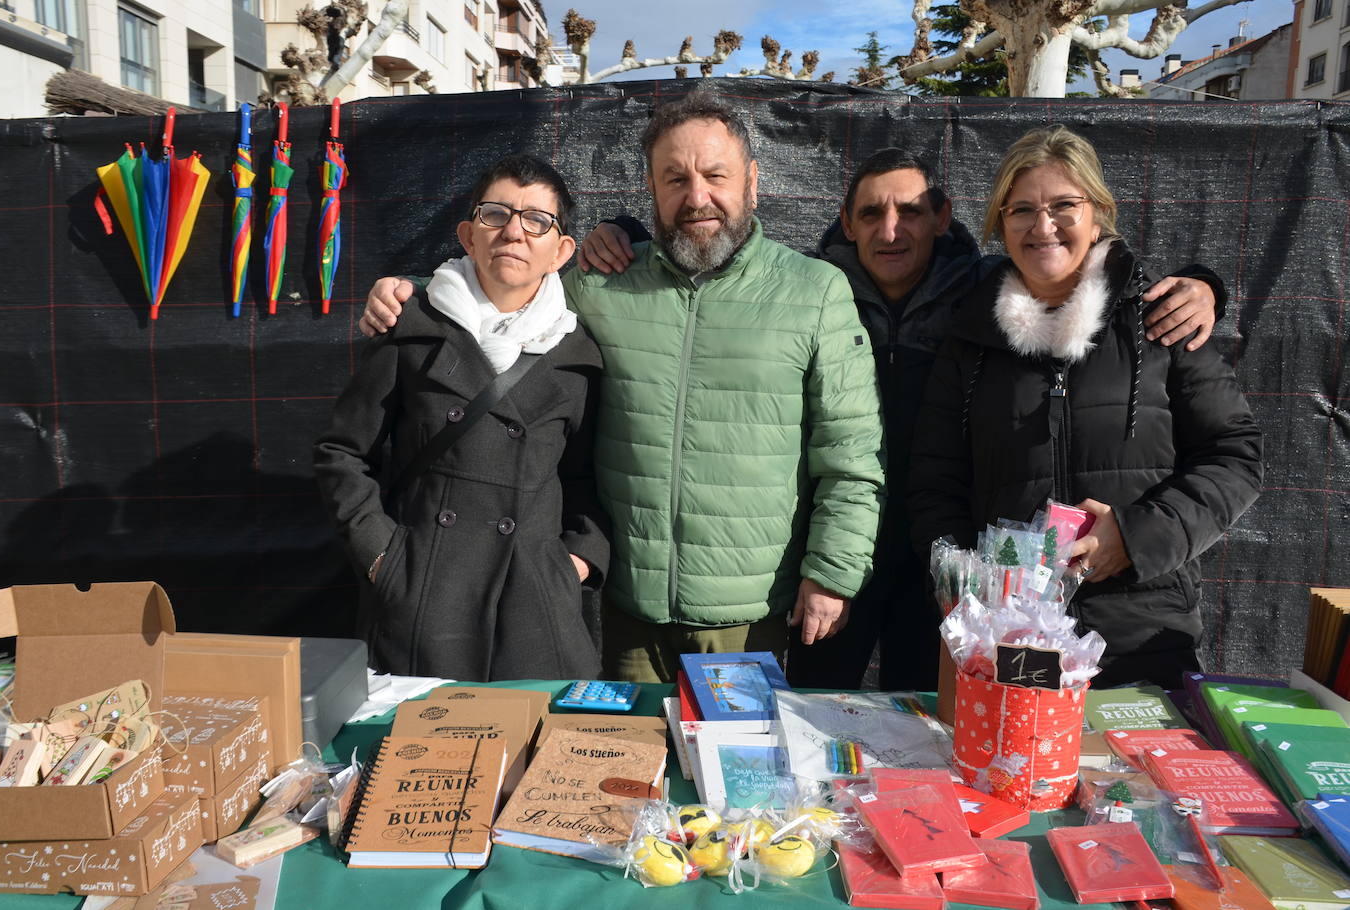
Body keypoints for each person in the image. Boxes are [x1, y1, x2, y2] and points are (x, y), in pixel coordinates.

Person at [570, 148, 1221, 691]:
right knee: (816, 708)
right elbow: (716, 266)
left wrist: (1201, 283)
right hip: (831, 550)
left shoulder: (985, 291)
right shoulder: (809, 288)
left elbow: (1082, 275)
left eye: (910, 211)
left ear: (941, 218)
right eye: (871, 213)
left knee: (923, 724)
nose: (891, 229)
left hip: (939, 562)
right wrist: (623, 231)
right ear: (846, 224)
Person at [360, 93, 885, 684]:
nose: (697, 197)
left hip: (748, 615)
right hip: (625, 610)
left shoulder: (815, 292)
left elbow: (851, 455)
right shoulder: (602, 284)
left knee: (735, 771)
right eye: (675, 178)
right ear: (651, 188)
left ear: (752, 182)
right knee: (627, 769)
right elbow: (505, 284)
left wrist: (832, 574)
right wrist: (409, 290)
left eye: (716, 176)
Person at [907, 125, 1262, 690]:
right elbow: (935, 481)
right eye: (1020, 209)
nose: (1042, 226)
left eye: (1063, 205)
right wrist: (968, 596)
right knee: (1010, 775)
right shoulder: (970, 342)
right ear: (1000, 224)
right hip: (1007, 642)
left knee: (1129, 780)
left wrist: (1136, 537)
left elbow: (1235, 456)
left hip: (1142, 635)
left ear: (1098, 213)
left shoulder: (1159, 321)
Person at [313, 155, 609, 681]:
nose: (514, 231)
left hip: (535, 608)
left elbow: (588, 478)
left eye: (537, 221)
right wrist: (383, 556)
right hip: (425, 597)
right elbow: (342, 453)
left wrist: (577, 561)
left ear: (561, 252)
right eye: (497, 215)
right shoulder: (411, 328)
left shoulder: (578, 355)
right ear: (469, 235)